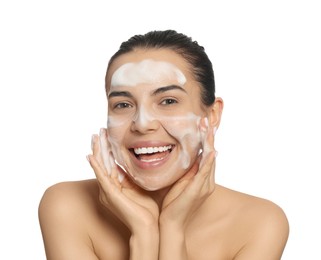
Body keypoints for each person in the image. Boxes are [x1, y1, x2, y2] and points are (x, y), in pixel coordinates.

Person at [38, 29, 289, 260]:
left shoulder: (259, 223)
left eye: (168, 101)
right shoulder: (66, 206)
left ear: (212, 116)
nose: (142, 123)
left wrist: (171, 228)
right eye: (123, 104)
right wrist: (144, 232)